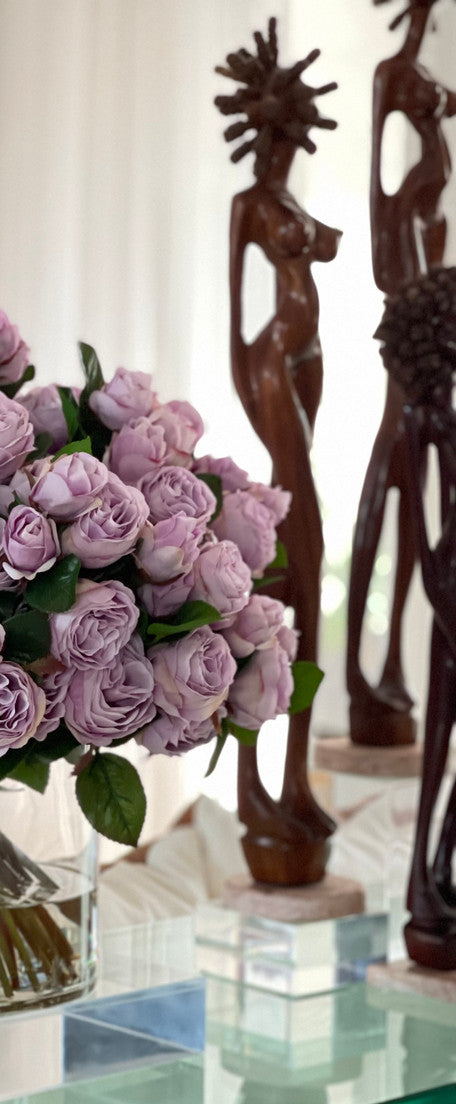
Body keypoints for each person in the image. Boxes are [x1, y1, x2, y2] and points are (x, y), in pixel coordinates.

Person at [216, 18, 338, 884]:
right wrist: (247, 380)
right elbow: (234, 306)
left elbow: (325, 247)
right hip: (270, 363)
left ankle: (295, 779)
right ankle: (257, 786)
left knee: (309, 562)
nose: (289, 127)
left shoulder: (292, 203)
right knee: (301, 541)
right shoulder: (251, 205)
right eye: (279, 115)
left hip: (306, 358)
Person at [347, 0, 456, 748]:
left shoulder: (430, 134)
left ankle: (390, 670)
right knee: (388, 497)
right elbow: (389, 241)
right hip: (408, 346)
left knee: (418, 518)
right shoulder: (395, 81)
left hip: (429, 355)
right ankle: (360, 674)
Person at [376, 266, 456, 968]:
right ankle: (425, 892)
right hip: (453, 580)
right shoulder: (427, 412)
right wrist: (436, 587)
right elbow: (428, 523)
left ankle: (435, 884)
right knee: (436, 744)